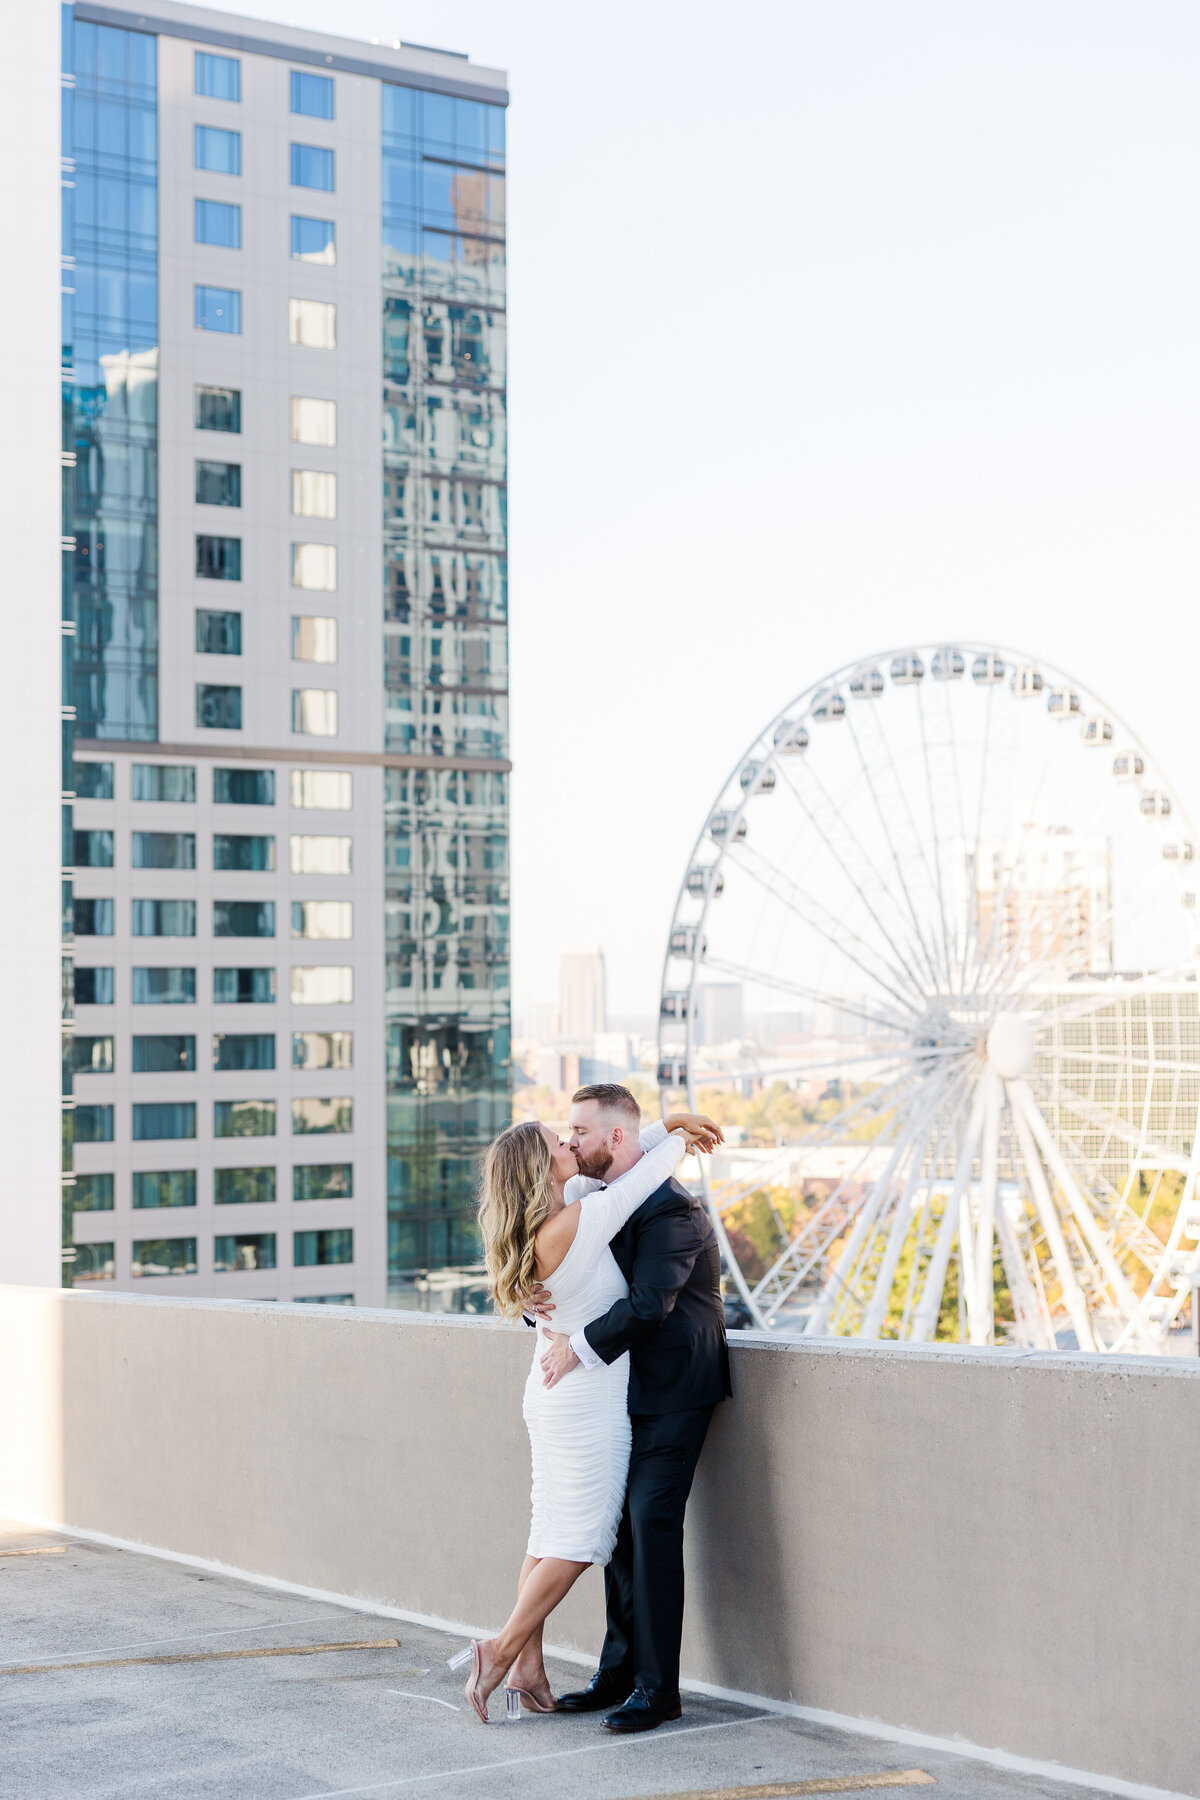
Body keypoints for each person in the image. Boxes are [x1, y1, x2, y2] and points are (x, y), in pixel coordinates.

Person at [454, 1098, 722, 1724]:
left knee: (553, 1528)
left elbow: (621, 1159)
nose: (571, 1145)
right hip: (585, 1393)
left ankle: (535, 1664)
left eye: (576, 1133)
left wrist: (663, 1127)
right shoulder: (579, 1214)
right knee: (586, 1537)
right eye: (561, 1140)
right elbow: (638, 1173)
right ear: (543, 1167)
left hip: (569, 1388)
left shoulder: (548, 1213)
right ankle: (504, 1649)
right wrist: (678, 1134)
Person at [535, 1083, 733, 1734]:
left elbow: (651, 1306)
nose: (570, 1142)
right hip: (619, 1388)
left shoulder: (672, 1211)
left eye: (580, 1133)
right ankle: (616, 1673)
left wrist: (576, 1349)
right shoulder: (602, 1194)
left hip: (674, 1390)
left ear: (613, 1139)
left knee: (650, 1525)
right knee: (616, 1531)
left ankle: (658, 1688)